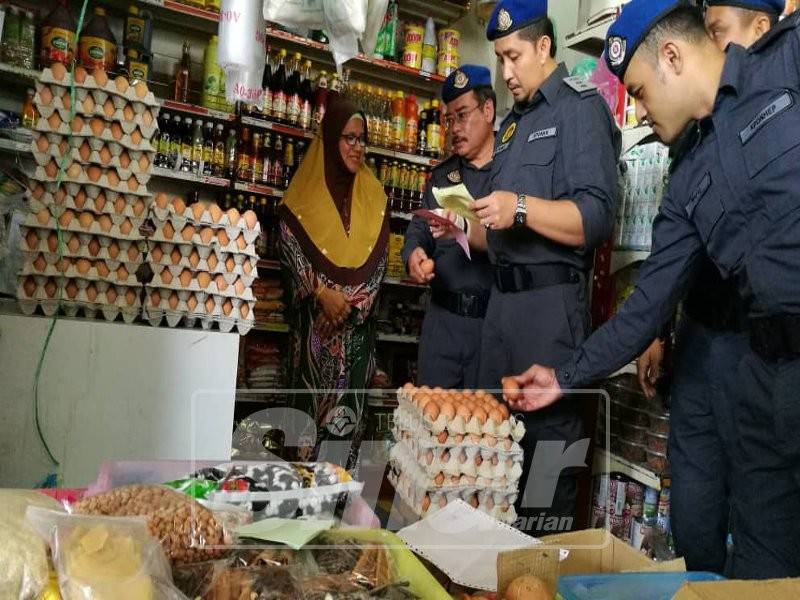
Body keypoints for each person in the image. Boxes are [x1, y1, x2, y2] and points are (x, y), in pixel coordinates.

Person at [510, 0, 800, 579]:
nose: (638, 114)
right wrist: (563, 376)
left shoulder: (787, 61)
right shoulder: (685, 177)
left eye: (639, 93)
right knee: (762, 569)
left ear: (672, 57)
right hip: (772, 379)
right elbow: (644, 309)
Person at [436, 0, 620, 534]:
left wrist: (519, 206)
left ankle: (539, 575)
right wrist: (467, 227)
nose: (507, 72)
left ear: (544, 47)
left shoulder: (579, 110)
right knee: (489, 466)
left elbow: (596, 217)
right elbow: (503, 231)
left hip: (549, 313)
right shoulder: (514, 127)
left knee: (546, 467)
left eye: (514, 56)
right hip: (502, 311)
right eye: (499, 58)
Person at [632, 0, 783, 574]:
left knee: (758, 518)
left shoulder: (776, 117)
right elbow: (679, 248)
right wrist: (659, 328)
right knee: (693, 510)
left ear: (761, 32)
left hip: (754, 348)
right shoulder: (692, 134)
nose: (709, 49)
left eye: (716, 33)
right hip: (697, 341)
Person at [279, 97, 389, 469]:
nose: (357, 148)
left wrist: (345, 306)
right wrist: (321, 293)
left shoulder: (374, 196)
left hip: (354, 339)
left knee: (345, 436)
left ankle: (341, 515)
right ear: (329, 140)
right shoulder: (304, 192)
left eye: (362, 140)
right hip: (313, 336)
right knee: (305, 436)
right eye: (349, 139)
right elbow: (289, 243)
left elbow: (379, 262)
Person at [401, 65, 495, 389]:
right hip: (442, 325)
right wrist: (414, 253)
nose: (454, 127)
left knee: (484, 431)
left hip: (490, 328)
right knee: (431, 426)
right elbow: (419, 229)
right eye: (449, 119)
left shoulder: (511, 175)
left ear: (488, 110)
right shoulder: (443, 177)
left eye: (463, 115)